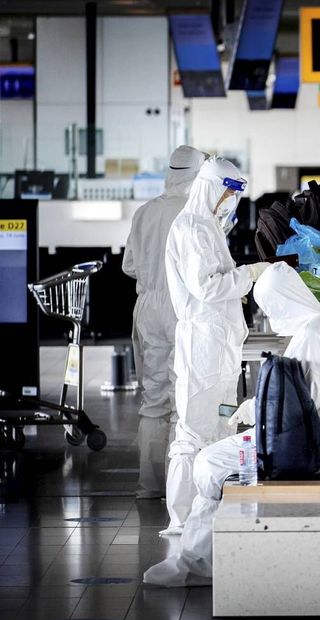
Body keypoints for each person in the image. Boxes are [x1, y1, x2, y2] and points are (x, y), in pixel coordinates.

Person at [143, 263, 320, 587]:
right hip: (315, 438)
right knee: (213, 460)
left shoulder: (313, 335)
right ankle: (197, 558)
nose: (271, 317)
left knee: (207, 462)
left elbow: (298, 406)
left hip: (306, 448)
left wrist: (255, 410)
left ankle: (197, 565)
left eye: (270, 309)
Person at [162, 157, 271, 536]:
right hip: (202, 346)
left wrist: (236, 288)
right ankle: (180, 521)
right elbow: (207, 287)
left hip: (218, 345)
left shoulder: (209, 226)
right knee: (192, 433)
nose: (230, 200)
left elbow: (216, 284)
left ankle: (204, 516)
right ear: (210, 187)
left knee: (221, 426)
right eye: (228, 192)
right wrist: (249, 275)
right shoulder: (192, 227)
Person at [122, 145, 208, 499]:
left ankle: (149, 485)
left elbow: (128, 266)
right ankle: (179, 485)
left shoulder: (145, 211)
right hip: (182, 307)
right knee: (182, 396)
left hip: (148, 306)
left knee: (153, 398)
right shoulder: (196, 213)